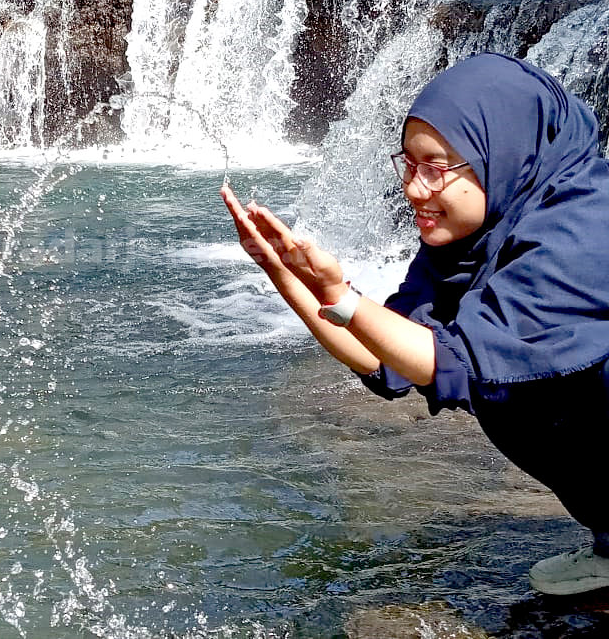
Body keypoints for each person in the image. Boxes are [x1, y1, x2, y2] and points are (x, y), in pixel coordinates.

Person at [221, 52, 609, 597]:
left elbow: (451, 363)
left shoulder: (585, 230)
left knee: (507, 379)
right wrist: (284, 272)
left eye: (436, 168)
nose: (414, 189)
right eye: (407, 165)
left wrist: (340, 294)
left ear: (504, 151)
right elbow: (387, 356)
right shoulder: (470, 242)